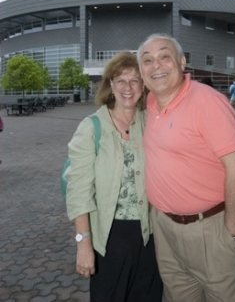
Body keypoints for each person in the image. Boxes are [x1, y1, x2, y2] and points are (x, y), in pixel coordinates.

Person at [137, 33, 235, 302]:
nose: (156, 65)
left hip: (212, 230)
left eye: (164, 56)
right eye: (147, 60)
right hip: (166, 231)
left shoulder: (207, 101)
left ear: (181, 63)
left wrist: (233, 235)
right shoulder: (150, 103)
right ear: (142, 72)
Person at [65, 51, 162, 302]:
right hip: (109, 239)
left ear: (143, 85)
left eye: (135, 80)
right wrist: (83, 244)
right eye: (121, 80)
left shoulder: (151, 123)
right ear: (110, 85)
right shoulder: (91, 127)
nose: (128, 88)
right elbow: (78, 191)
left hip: (148, 235)